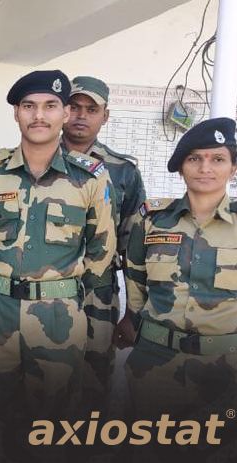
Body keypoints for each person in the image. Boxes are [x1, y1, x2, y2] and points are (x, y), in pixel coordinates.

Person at [0, 69, 115, 462]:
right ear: (16, 113)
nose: (39, 116)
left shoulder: (90, 178)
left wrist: (66, 295)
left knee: (51, 422)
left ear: (65, 113)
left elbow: (101, 253)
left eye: (50, 106)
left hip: (58, 316)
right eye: (29, 106)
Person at [120, 117, 237, 454]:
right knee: (153, 453)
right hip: (157, 366)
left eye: (218, 159)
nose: (205, 168)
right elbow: (135, 281)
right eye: (195, 158)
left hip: (233, 371)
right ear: (181, 167)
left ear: (234, 168)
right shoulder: (152, 220)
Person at [60, 75, 146, 410]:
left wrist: (133, 312)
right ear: (62, 111)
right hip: (42, 290)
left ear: (105, 116)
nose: (81, 115)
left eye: (91, 109)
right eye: (74, 106)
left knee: (92, 384)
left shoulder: (122, 171)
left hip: (98, 293)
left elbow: (133, 247)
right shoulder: (36, 158)